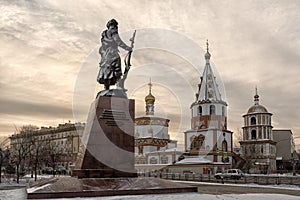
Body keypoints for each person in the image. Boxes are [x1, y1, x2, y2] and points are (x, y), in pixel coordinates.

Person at [97, 19, 132, 90]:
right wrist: (128, 48)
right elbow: (118, 41)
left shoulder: (105, 33)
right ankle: (119, 86)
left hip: (105, 54)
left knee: (107, 69)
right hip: (112, 53)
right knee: (116, 68)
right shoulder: (113, 31)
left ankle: (106, 87)